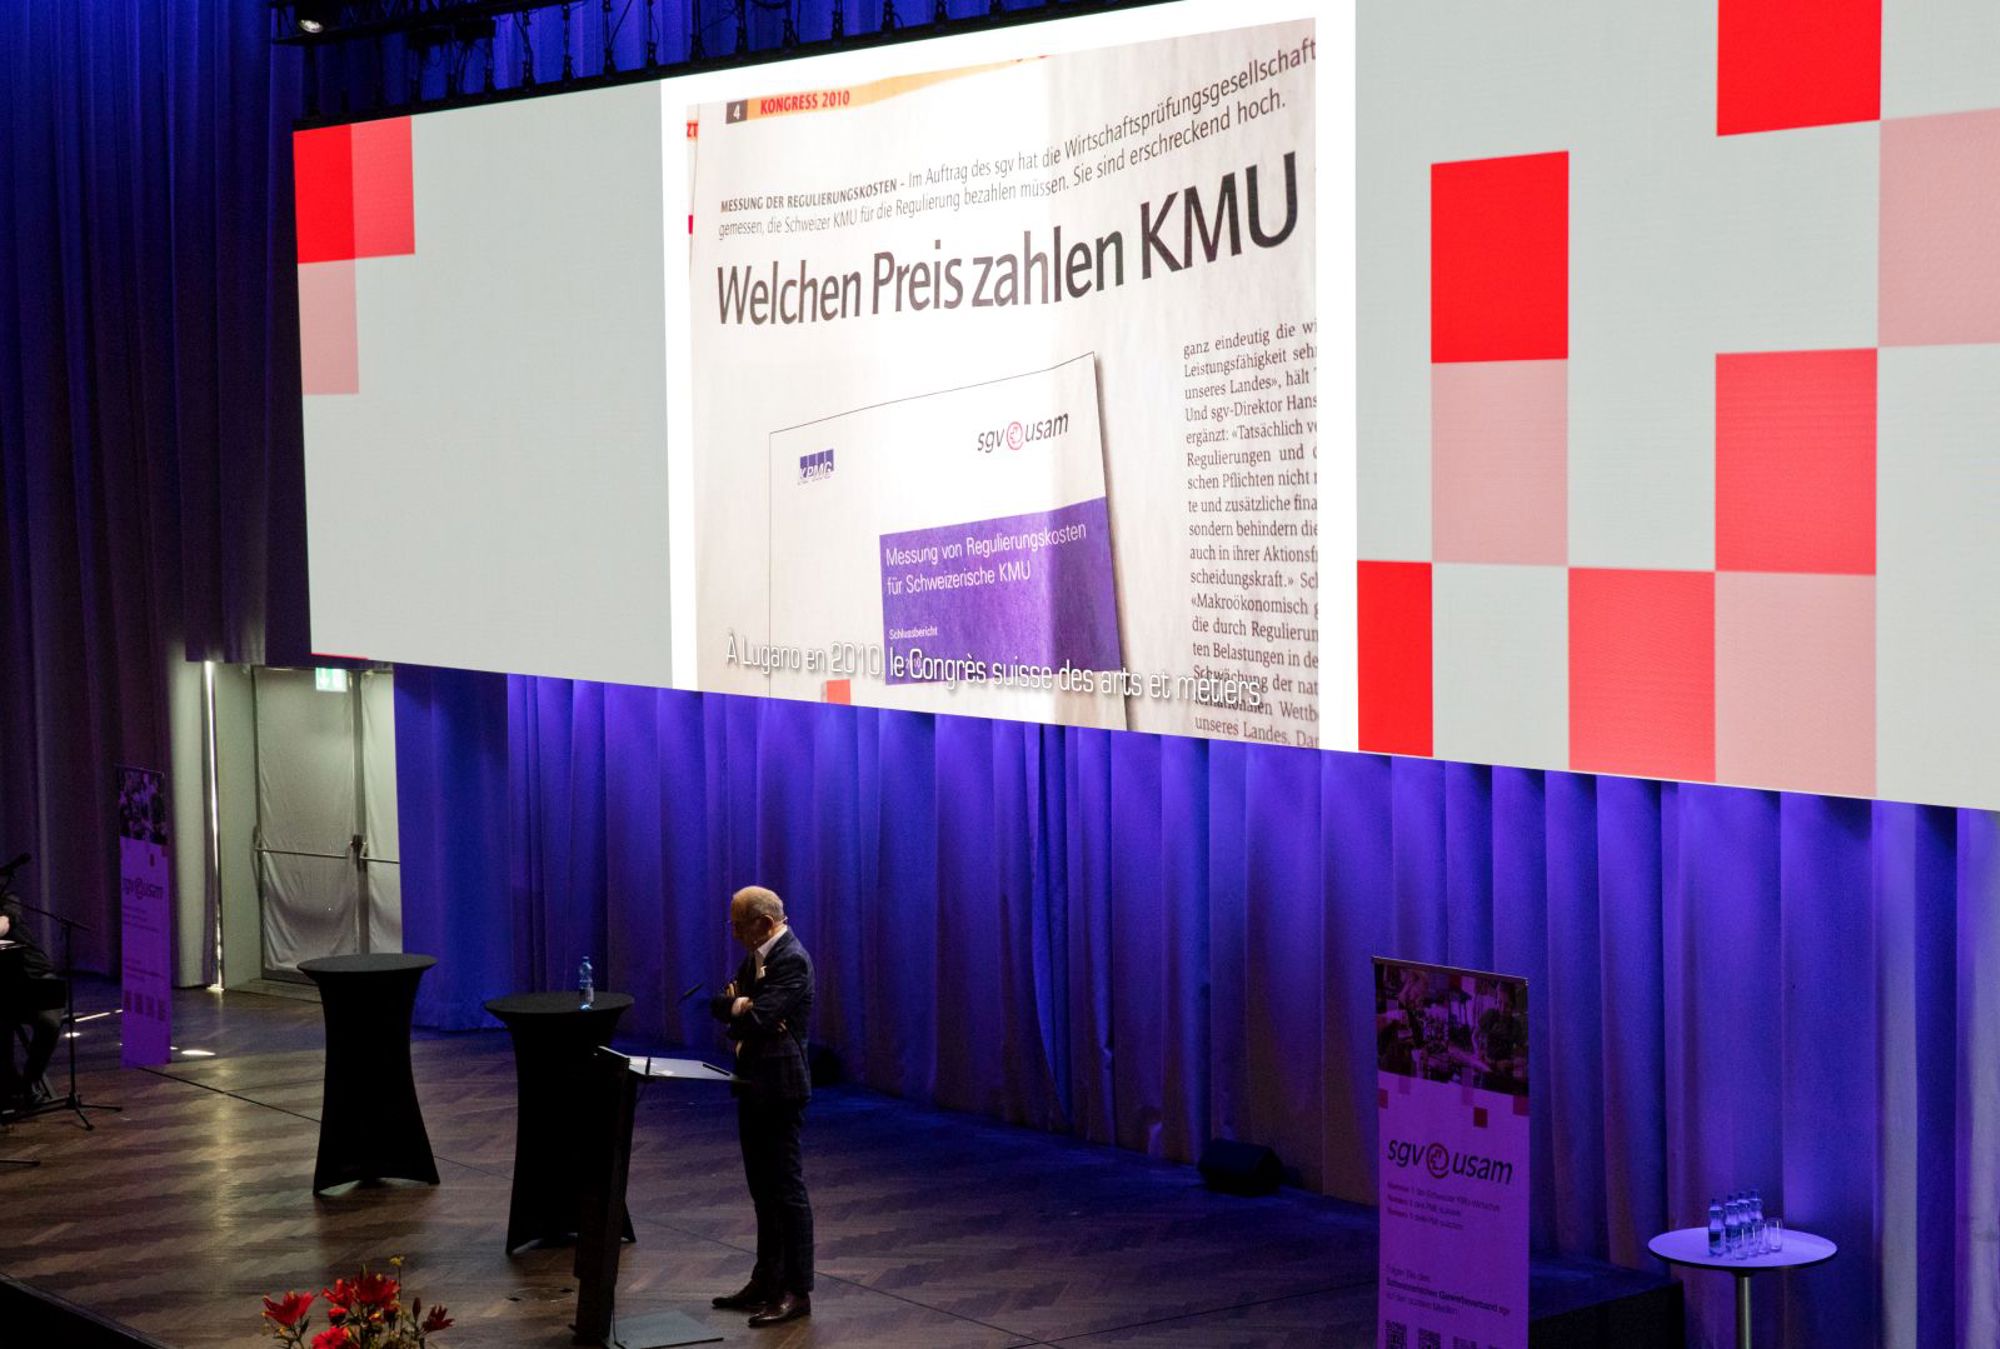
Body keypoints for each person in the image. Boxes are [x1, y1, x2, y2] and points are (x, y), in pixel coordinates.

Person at [707, 885, 815, 1327]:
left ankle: (796, 1290)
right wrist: (741, 1005)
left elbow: (757, 1018)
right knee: (762, 1191)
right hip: (753, 1083)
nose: (732, 933)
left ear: (765, 923)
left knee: (786, 1190)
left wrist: (743, 1008)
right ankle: (766, 1279)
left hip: (781, 1088)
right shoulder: (755, 956)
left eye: (738, 925)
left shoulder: (791, 959)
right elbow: (722, 1004)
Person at [0, 888, 60, 1111]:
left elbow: (3, 924)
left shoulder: (6, 897)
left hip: (37, 977)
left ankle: (30, 1080)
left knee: (49, 1024)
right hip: (4, 988)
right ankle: (10, 1085)